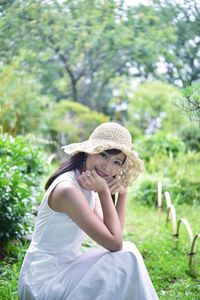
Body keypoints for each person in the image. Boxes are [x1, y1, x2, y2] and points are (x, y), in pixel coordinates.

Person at [18, 122, 159, 300]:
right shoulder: (68, 189)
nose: (107, 167)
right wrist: (104, 192)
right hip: (43, 281)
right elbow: (114, 243)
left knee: (127, 255)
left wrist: (122, 194)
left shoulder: (86, 182)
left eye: (116, 162)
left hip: (67, 267)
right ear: (89, 151)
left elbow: (113, 234)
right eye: (103, 154)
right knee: (127, 254)